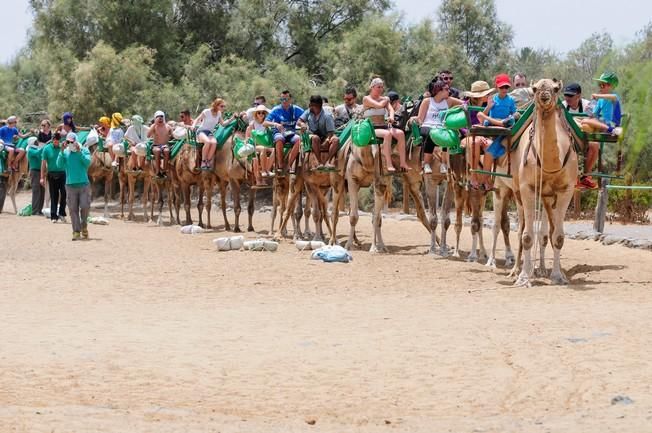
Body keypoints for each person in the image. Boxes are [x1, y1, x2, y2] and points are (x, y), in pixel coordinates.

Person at [477, 73, 520, 189]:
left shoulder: (510, 100)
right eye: (502, 87)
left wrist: (513, 117)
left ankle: (487, 179)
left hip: (504, 126)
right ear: (497, 87)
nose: (504, 89)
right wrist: (489, 107)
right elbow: (481, 115)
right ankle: (485, 179)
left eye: (506, 87)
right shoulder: (492, 99)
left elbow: (514, 113)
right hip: (492, 125)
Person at [413, 80, 464, 174]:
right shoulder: (427, 101)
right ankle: (426, 163)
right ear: (439, 90)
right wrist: (415, 121)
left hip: (442, 127)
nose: (449, 91)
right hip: (428, 125)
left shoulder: (449, 101)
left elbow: (464, 104)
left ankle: (444, 163)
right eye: (447, 89)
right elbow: (421, 118)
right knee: (431, 132)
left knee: (447, 135)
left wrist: (459, 110)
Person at [362, 77, 410, 173]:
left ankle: (403, 163)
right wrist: (386, 100)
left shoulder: (384, 99)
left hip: (383, 125)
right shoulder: (366, 99)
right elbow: (379, 105)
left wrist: (391, 117)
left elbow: (391, 109)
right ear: (372, 87)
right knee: (387, 134)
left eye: (381, 87)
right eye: (378, 87)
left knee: (400, 133)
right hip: (372, 128)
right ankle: (388, 163)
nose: (380, 89)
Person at [562, 83, 599, 189]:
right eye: (566, 95)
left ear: (579, 96)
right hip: (568, 138)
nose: (567, 98)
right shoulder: (563, 106)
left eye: (570, 95)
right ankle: (569, 176)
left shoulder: (588, 105)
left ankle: (585, 176)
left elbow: (595, 119)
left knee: (595, 145)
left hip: (583, 139)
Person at [57, 132, 92, 241]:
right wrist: (61, 152)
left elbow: (87, 163)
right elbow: (59, 165)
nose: (70, 144)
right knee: (73, 209)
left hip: (83, 184)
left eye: (72, 142)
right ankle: (76, 231)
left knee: (85, 206)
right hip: (70, 185)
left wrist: (79, 152)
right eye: (68, 142)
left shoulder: (84, 150)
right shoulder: (65, 152)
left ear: (76, 141)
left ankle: (84, 226)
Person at [462, 81, 495, 187]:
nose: (489, 96)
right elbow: (462, 127)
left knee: (490, 145)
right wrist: (474, 134)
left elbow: (487, 121)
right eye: (487, 94)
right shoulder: (465, 106)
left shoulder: (489, 105)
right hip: (467, 136)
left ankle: (486, 178)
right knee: (474, 142)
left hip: (483, 136)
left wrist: (489, 108)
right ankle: (473, 175)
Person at [266, 90, 304, 174]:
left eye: (286, 99)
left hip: (291, 134)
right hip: (279, 133)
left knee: (299, 139)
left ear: (290, 99)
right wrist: (275, 124)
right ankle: (280, 164)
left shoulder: (296, 109)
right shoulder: (276, 110)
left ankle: (289, 164)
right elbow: (265, 122)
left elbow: (306, 116)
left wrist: (303, 124)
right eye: (282, 99)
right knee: (279, 139)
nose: (284, 101)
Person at [297, 95, 339, 169]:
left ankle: (328, 162)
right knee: (315, 138)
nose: (310, 107)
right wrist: (302, 124)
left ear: (318, 105)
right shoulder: (308, 112)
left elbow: (331, 132)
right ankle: (319, 163)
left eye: (312, 105)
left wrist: (327, 140)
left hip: (325, 136)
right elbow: (299, 121)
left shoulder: (327, 116)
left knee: (336, 140)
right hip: (312, 136)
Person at [580, 71, 623, 136]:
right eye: (599, 85)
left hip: (612, 124)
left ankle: (612, 130)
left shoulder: (614, 96)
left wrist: (597, 96)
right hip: (603, 123)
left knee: (584, 121)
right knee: (582, 122)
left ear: (611, 86)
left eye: (602, 85)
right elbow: (594, 115)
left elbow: (613, 97)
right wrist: (589, 110)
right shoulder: (600, 100)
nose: (600, 87)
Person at [192, 98, 231, 169]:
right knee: (207, 142)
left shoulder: (219, 113)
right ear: (216, 105)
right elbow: (197, 119)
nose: (223, 108)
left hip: (209, 132)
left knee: (214, 143)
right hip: (201, 131)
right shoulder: (207, 111)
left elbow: (223, 124)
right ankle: (203, 162)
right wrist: (193, 126)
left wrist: (232, 118)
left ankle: (208, 161)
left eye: (224, 106)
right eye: (221, 106)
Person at [40, 131, 67, 223]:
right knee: (54, 195)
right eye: (54, 140)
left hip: (63, 173)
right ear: (52, 140)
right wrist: (42, 177)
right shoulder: (46, 149)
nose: (56, 142)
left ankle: (62, 214)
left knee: (64, 194)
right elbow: (43, 164)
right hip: (51, 174)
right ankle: (54, 216)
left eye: (57, 140)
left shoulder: (62, 148)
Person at [245, 104, 275, 184]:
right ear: (256, 114)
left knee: (275, 150)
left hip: (266, 144)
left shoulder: (267, 124)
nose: (261, 114)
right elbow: (247, 137)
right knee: (262, 149)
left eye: (263, 113)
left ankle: (267, 170)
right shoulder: (252, 124)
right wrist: (249, 141)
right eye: (259, 112)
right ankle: (262, 173)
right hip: (255, 145)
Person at [27, 120, 51, 215]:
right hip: (35, 171)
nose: (37, 142)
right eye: (36, 141)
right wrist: (47, 145)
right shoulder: (31, 150)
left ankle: (39, 210)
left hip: (40, 171)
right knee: (36, 191)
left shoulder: (35, 148)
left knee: (42, 191)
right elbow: (39, 153)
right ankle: (35, 210)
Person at [148, 110, 172, 177]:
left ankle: (164, 170)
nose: (160, 118)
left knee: (167, 151)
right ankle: (158, 171)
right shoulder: (154, 126)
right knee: (157, 151)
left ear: (163, 117)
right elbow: (148, 135)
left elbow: (172, 135)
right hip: (156, 145)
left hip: (165, 145)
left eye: (161, 116)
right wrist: (154, 125)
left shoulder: (168, 126)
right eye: (158, 117)